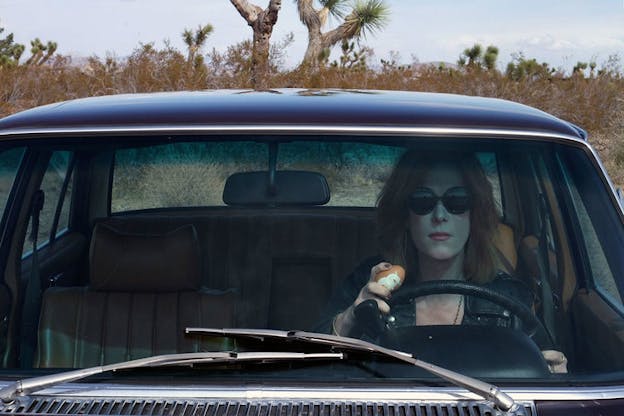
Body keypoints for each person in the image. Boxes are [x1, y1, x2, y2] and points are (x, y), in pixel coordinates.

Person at [321, 149, 568, 373]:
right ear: (405, 215)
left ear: (475, 213)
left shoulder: (510, 299)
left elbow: (538, 378)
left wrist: (555, 375)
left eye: (457, 201)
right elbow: (309, 359)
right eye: (423, 201)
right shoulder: (367, 282)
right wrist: (352, 316)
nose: (440, 216)